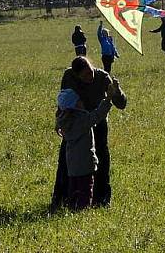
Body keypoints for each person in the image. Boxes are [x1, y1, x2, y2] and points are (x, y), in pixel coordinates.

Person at [51, 56, 127, 210]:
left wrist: (117, 92)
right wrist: (59, 122)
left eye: (90, 72)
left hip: (97, 123)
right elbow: (64, 102)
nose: (89, 77)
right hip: (75, 125)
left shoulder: (102, 77)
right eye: (84, 76)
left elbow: (121, 104)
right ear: (76, 75)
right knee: (67, 162)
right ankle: (63, 200)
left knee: (100, 161)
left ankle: (100, 200)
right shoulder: (68, 76)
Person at [55, 83, 117, 210]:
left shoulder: (64, 122)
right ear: (74, 105)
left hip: (72, 164)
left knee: (73, 188)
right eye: (78, 100)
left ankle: (72, 207)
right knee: (86, 188)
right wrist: (108, 98)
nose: (82, 101)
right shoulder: (81, 121)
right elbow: (97, 115)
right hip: (85, 162)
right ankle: (83, 210)